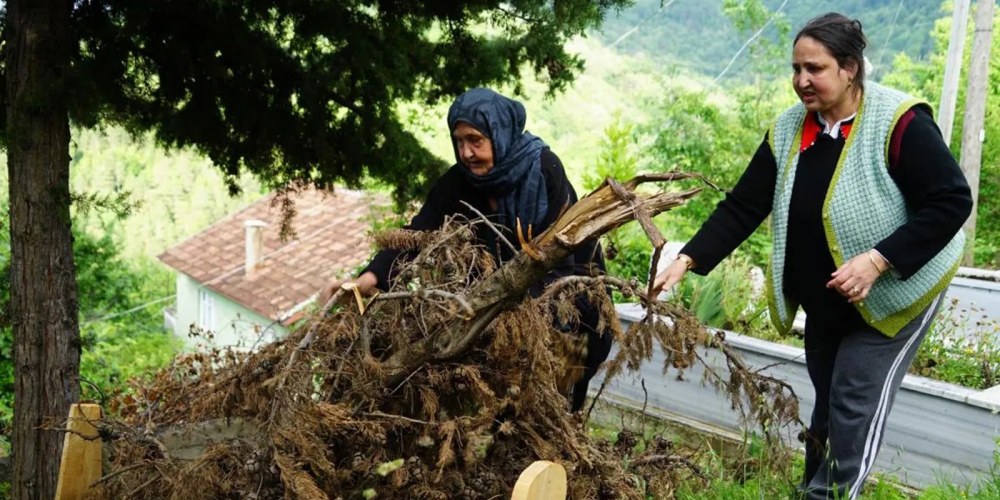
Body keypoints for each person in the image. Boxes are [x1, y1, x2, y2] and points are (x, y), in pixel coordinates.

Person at [651, 13, 972, 500]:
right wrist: (689, 259)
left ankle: (832, 495)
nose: (802, 80)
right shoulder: (788, 130)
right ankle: (812, 490)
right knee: (827, 406)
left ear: (849, 68)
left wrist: (879, 259)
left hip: (896, 292)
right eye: (796, 68)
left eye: (815, 68)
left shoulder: (899, 122)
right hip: (826, 297)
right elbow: (745, 204)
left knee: (852, 402)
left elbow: (951, 201)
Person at [320, 87, 612, 412]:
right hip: (505, 310)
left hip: (571, 307)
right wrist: (369, 280)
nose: (467, 153)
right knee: (500, 413)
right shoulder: (460, 182)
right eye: (459, 142)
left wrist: (524, 330)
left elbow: (557, 263)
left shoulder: (543, 170)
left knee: (547, 413)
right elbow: (418, 234)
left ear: (499, 134)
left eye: (475, 140)